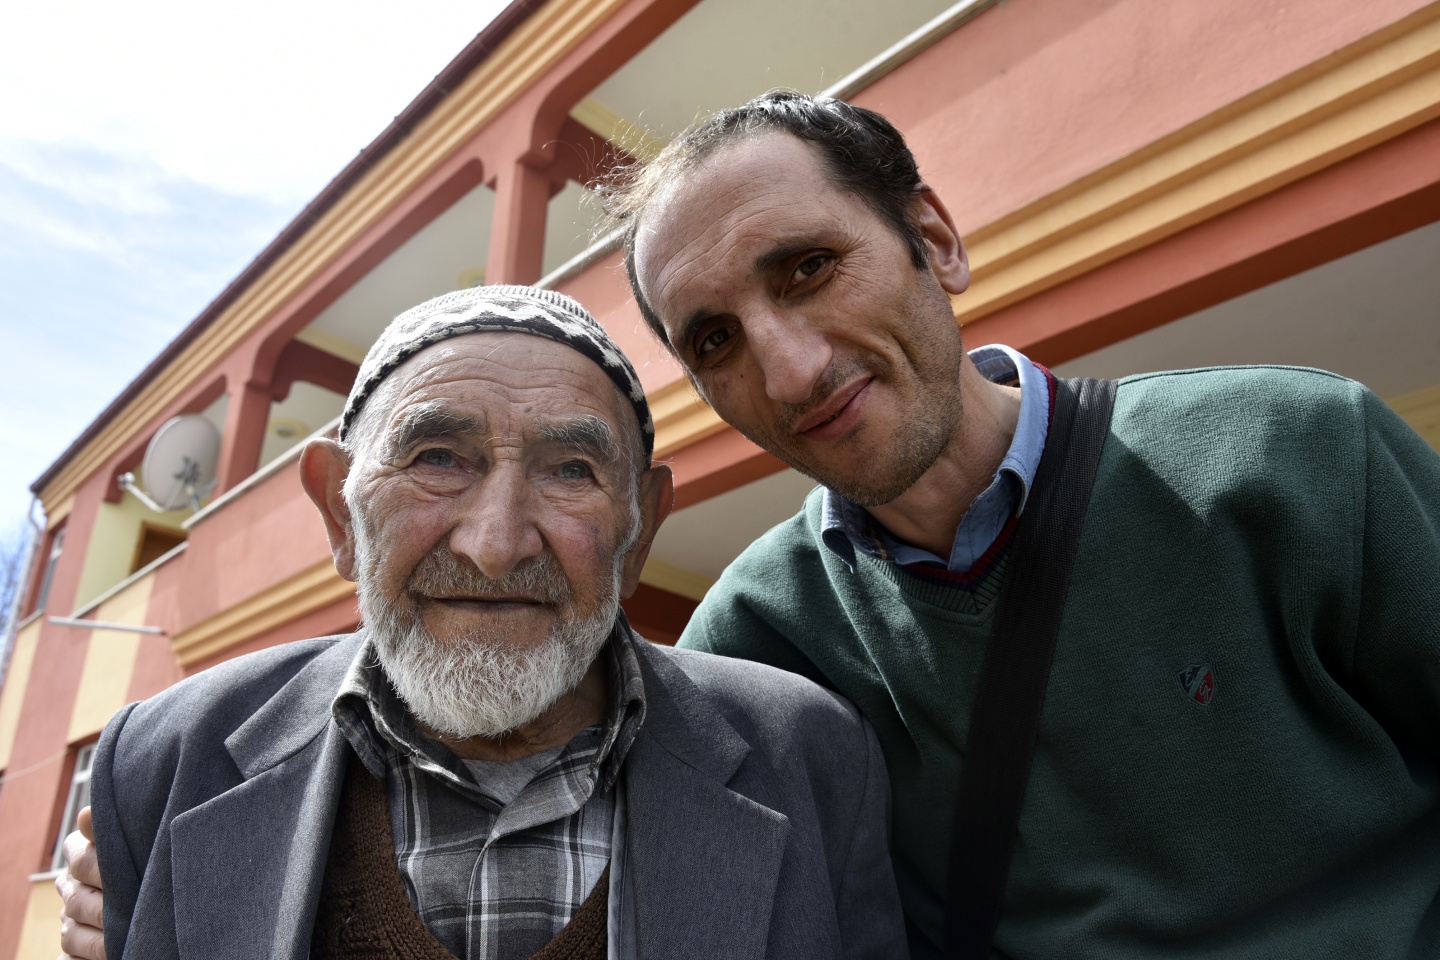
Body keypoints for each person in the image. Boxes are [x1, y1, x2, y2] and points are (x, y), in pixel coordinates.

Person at [607, 92, 1440, 958]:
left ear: (933, 241)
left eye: (810, 268)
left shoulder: (1298, 453)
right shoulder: (748, 649)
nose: (788, 372)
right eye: (714, 341)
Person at [58, 284, 906, 960]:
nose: (496, 545)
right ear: (339, 515)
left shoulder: (814, 758)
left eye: (571, 469)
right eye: (437, 459)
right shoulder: (165, 765)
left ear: (639, 529)